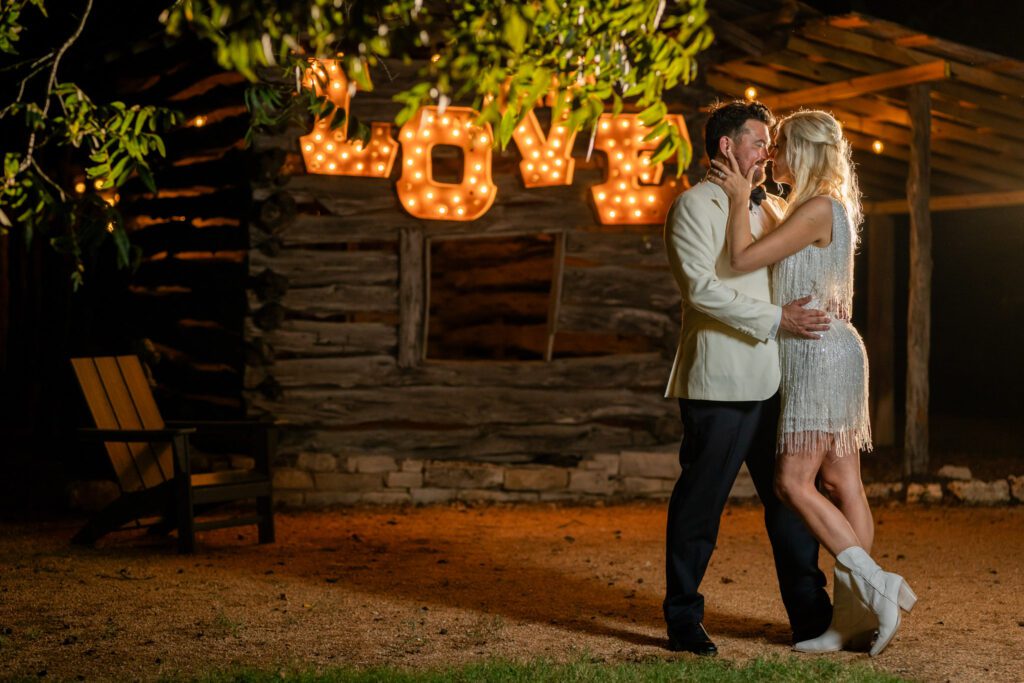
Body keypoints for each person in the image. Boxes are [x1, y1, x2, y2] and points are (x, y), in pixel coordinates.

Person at [708, 109, 917, 657]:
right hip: (834, 350)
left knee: (791, 483)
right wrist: (757, 196)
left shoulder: (818, 208)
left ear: (801, 150)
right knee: (842, 482)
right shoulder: (820, 206)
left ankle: (879, 586)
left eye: (779, 146)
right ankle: (852, 621)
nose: (771, 154)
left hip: (818, 354)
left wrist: (736, 198)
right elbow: (778, 231)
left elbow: (740, 256)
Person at [662, 100, 833, 656]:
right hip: (719, 382)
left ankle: (812, 616)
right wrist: (779, 318)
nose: (768, 153)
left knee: (788, 502)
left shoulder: (770, 208)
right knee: (701, 504)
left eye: (768, 144)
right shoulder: (692, 206)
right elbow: (703, 293)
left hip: (777, 380)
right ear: (725, 148)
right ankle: (683, 617)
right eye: (759, 142)